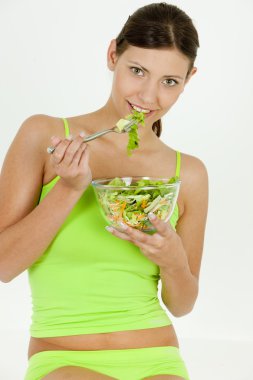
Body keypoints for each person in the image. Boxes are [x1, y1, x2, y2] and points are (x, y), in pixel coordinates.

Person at [0, 2, 208, 379]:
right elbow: (4, 265)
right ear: (113, 55)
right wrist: (68, 189)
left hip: (158, 357)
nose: (148, 96)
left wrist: (173, 258)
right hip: (63, 360)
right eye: (137, 71)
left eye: (169, 82)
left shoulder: (188, 174)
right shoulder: (44, 137)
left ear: (188, 79)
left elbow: (182, 304)